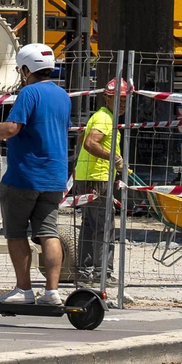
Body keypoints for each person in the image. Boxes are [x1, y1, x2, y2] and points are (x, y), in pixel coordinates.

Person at [0, 43, 73, 306]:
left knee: (16, 232)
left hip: (25, 175)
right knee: (48, 232)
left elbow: (11, 128)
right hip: (55, 176)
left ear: (27, 69)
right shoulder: (63, 96)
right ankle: (52, 292)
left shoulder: (29, 93)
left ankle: (24, 290)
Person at [72, 77, 129, 282]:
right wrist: (114, 158)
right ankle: (102, 272)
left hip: (88, 176)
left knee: (89, 225)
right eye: (118, 99)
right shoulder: (105, 119)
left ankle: (85, 271)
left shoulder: (99, 116)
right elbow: (89, 142)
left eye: (124, 99)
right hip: (97, 179)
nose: (122, 103)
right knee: (104, 226)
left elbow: (81, 139)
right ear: (107, 97)